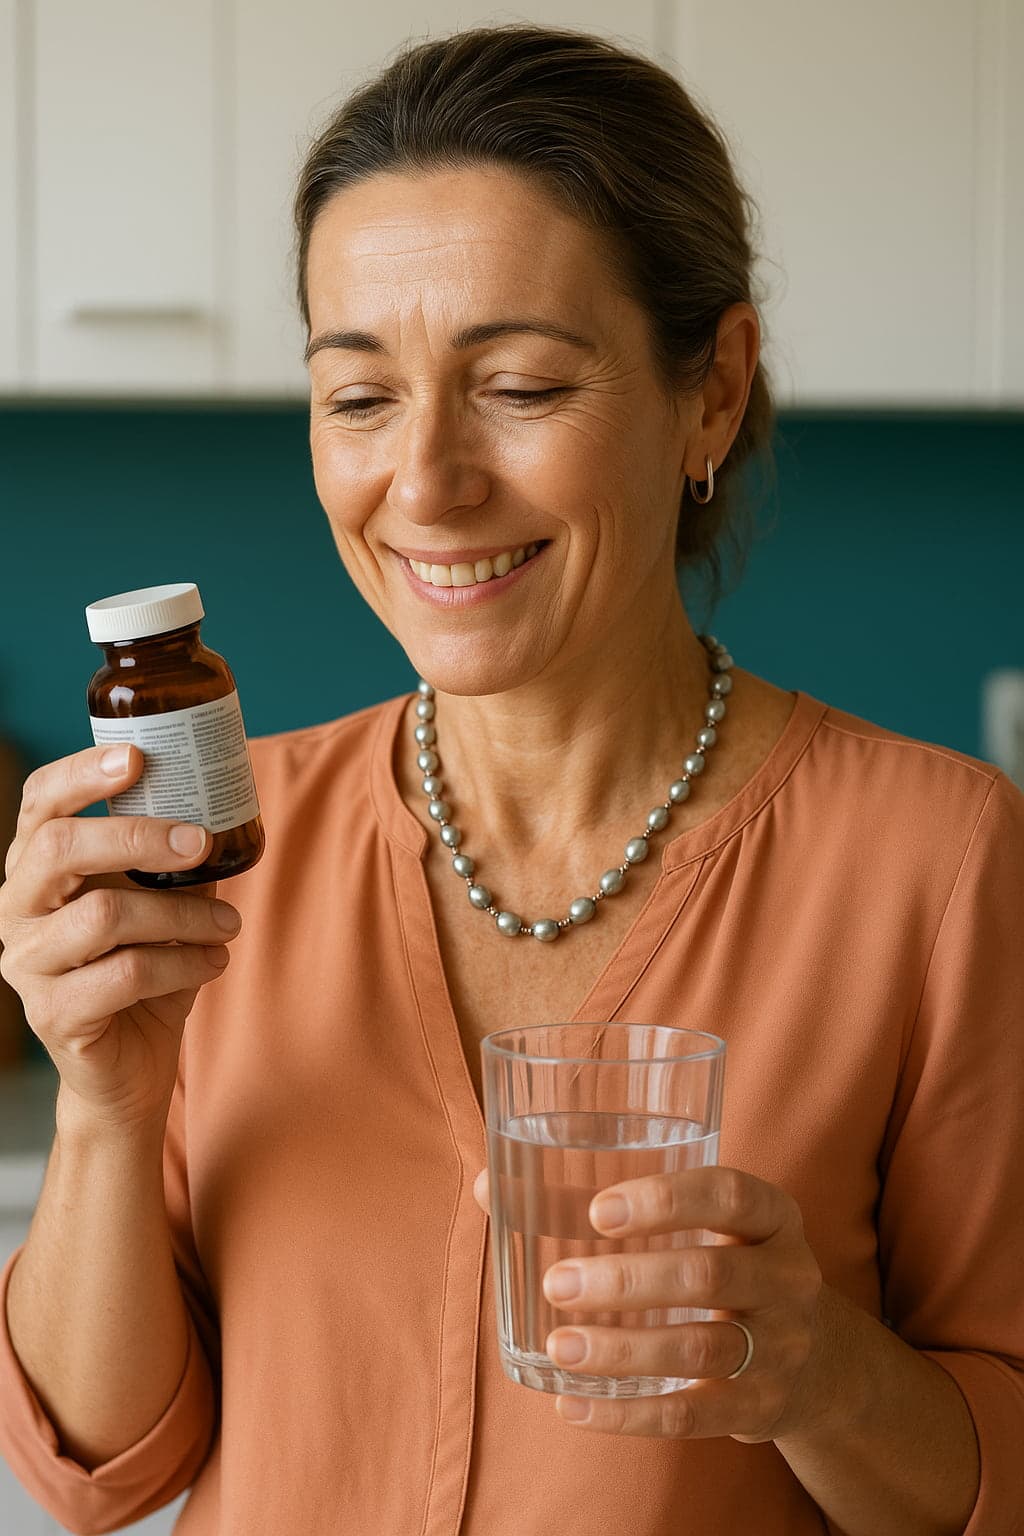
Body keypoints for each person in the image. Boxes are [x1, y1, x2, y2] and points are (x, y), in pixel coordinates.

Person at [0, 23, 1021, 1536]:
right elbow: (102, 1471)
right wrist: (106, 1102)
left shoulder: (938, 861)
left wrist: (819, 1376)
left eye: (523, 385)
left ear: (713, 391)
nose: (424, 483)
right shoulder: (217, 854)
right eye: (359, 398)